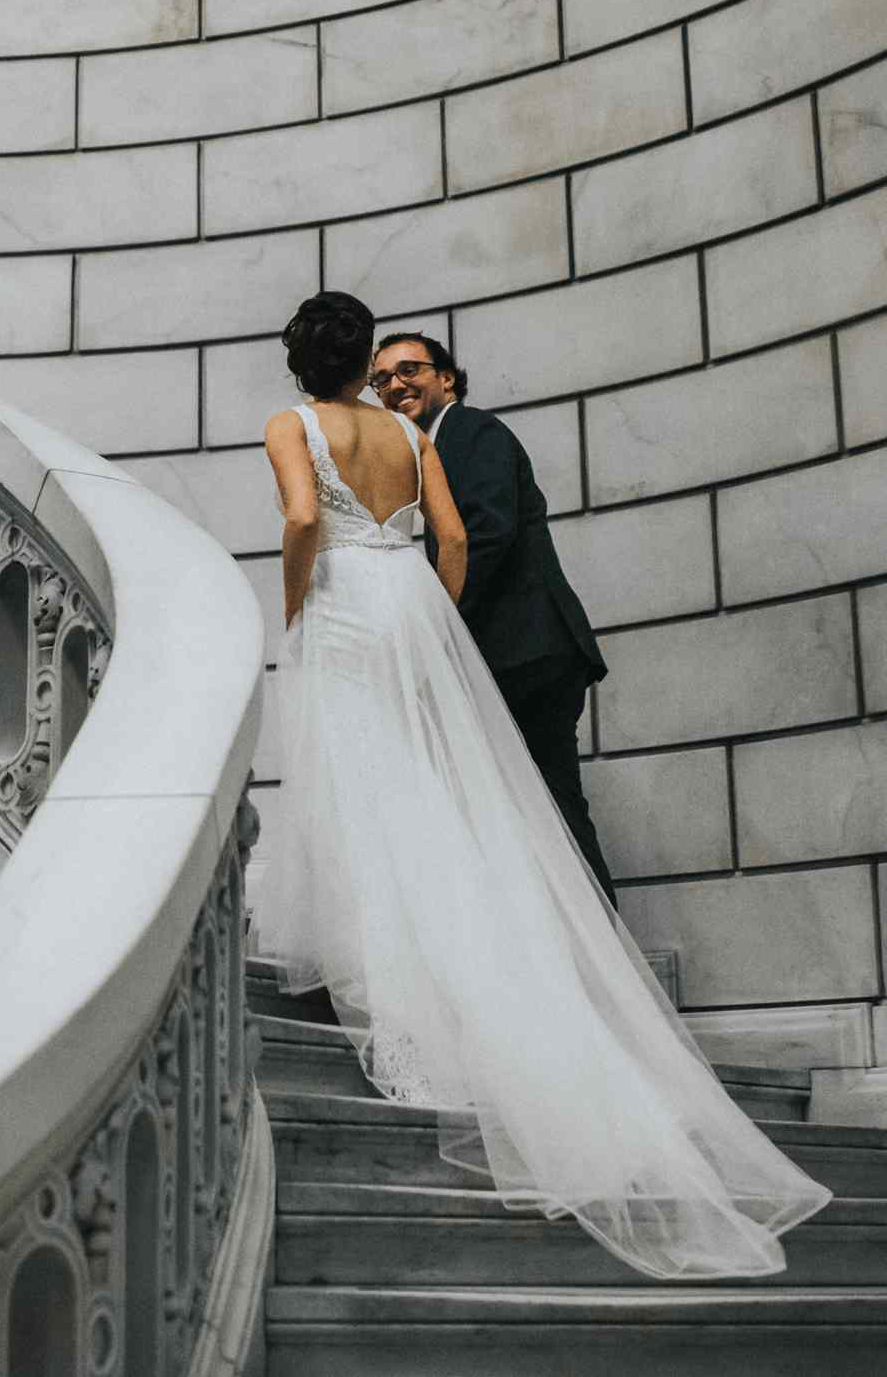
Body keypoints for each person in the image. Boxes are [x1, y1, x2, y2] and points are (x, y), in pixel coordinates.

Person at [257, 290, 828, 1281]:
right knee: (438, 798)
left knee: (361, 787)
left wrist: (294, 595)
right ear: (361, 358)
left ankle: (394, 975)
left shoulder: (291, 423)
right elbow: (456, 540)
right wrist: (428, 619)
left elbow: (303, 513)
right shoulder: (406, 429)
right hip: (409, 604)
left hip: (348, 603)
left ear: (297, 360)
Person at [368, 332, 617, 903]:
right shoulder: (430, 449)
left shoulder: (472, 432)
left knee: (553, 806)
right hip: (507, 653)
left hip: (526, 651)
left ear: (447, 378)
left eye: (410, 370)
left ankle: (606, 957)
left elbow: (485, 535)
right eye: (382, 379)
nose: (395, 385)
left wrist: (434, 627)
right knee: (530, 810)